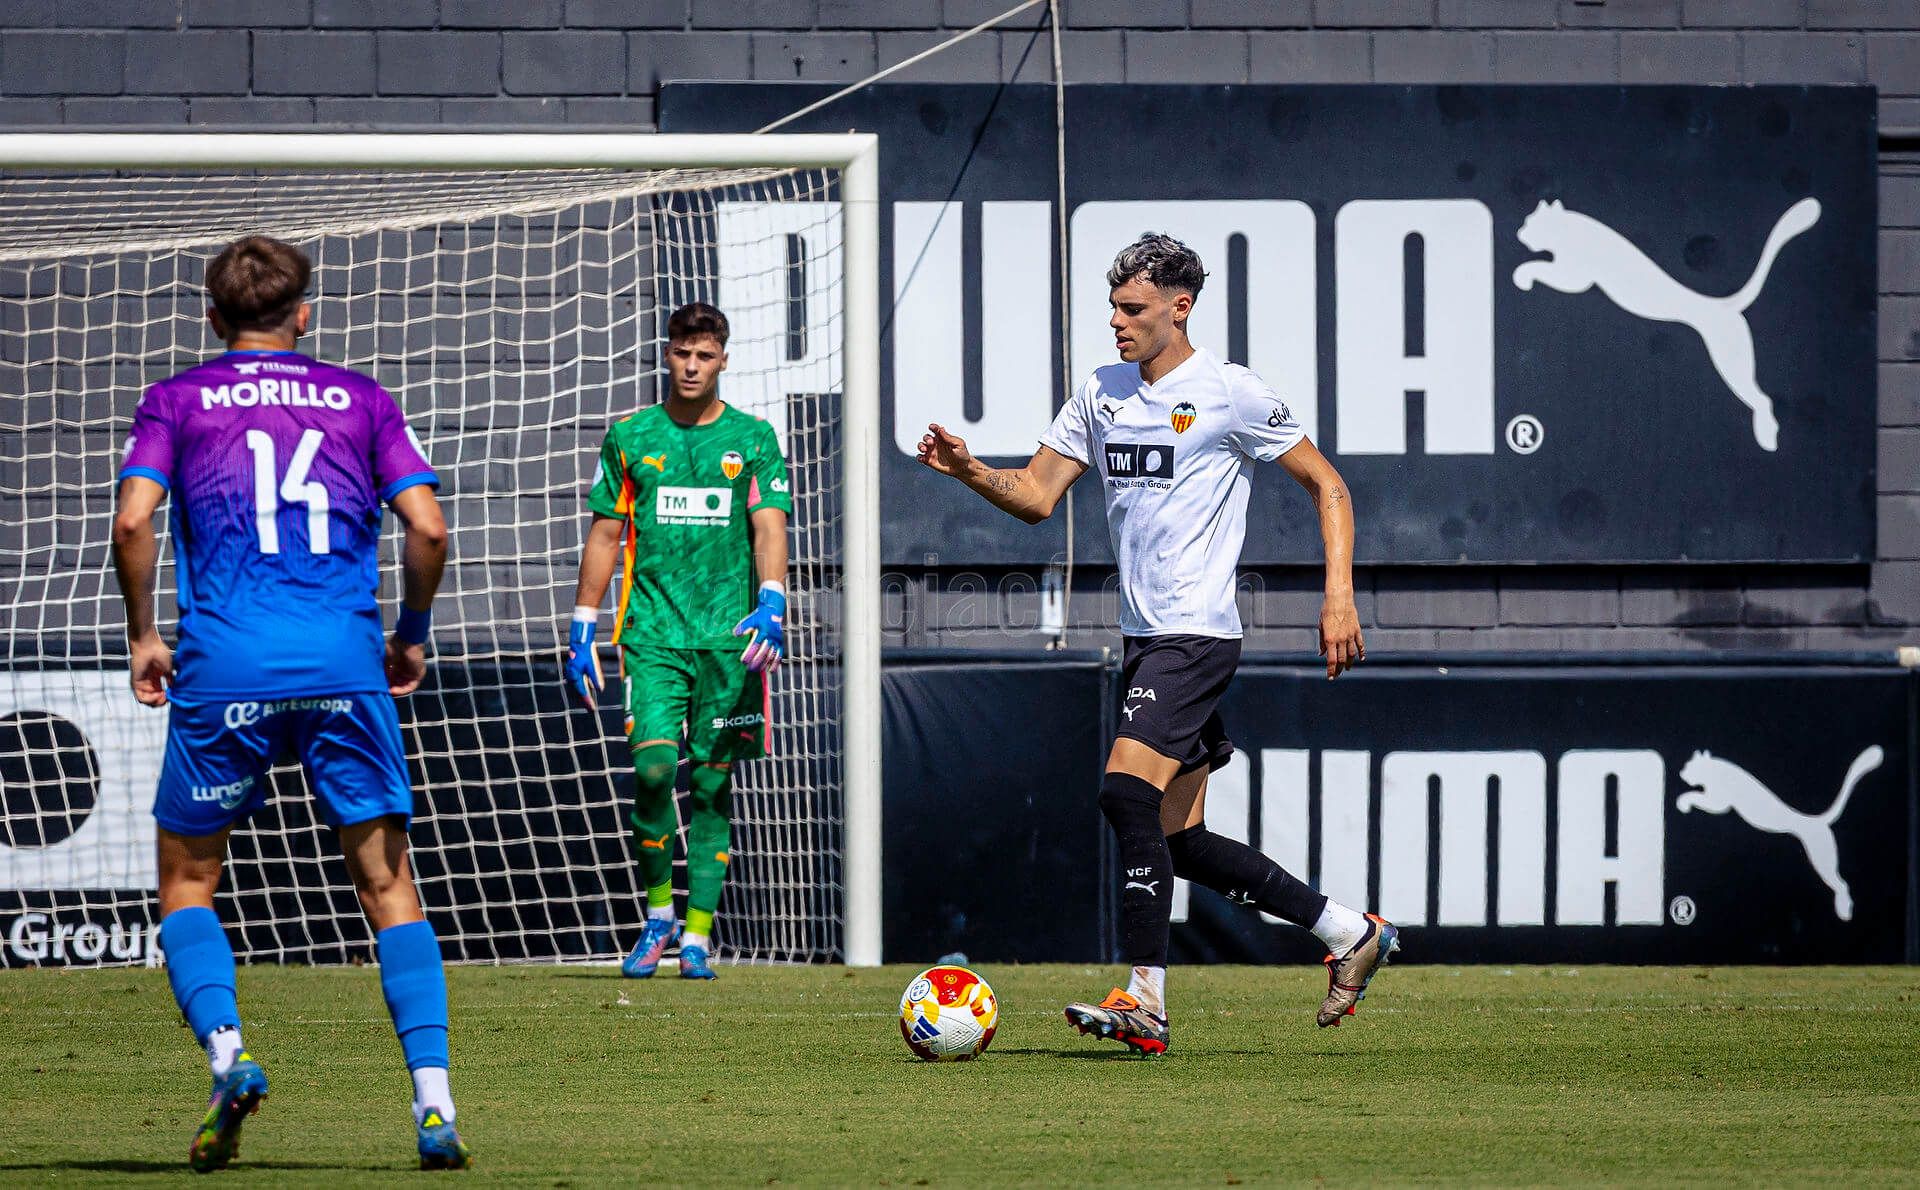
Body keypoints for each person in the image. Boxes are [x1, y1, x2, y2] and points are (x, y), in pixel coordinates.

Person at [916, 233, 1395, 1055]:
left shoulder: (1230, 393)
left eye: (1133, 308)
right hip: (1146, 639)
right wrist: (968, 470)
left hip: (1195, 634)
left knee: (1123, 795)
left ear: (1180, 307)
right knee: (1179, 841)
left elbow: (1329, 484)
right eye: (1112, 307)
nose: (1116, 321)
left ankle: (1145, 1000)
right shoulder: (1100, 392)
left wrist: (1339, 596)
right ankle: (1349, 931)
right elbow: (1035, 495)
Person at [112, 235, 470, 1169]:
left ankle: (229, 1056)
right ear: (303, 314)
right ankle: (435, 1105)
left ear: (212, 318)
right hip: (341, 664)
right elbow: (429, 528)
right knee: (388, 886)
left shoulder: (178, 399)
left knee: (188, 884)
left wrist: (145, 633)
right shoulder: (362, 399)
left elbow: (133, 519)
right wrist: (411, 632)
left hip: (226, 665)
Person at [564, 301, 791, 981]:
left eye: (705, 355)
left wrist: (772, 598)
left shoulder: (753, 437)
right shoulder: (631, 436)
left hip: (730, 639)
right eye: (682, 353)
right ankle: (658, 913)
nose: (692, 366)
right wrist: (583, 622)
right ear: (668, 353)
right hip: (653, 634)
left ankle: (697, 936)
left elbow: (769, 524)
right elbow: (606, 533)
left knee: (714, 786)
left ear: (723, 360)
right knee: (656, 771)